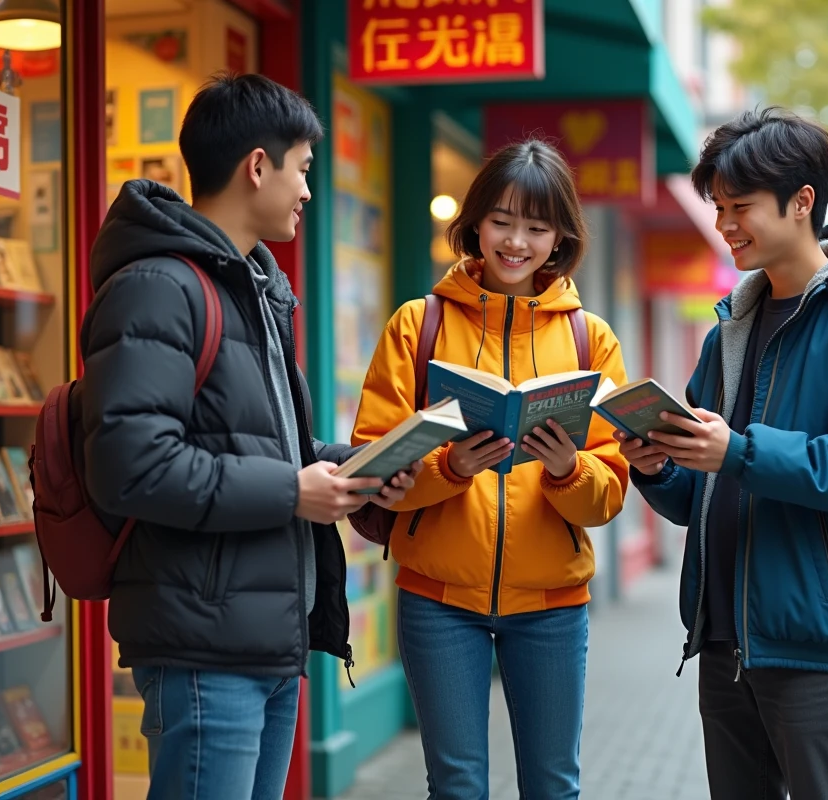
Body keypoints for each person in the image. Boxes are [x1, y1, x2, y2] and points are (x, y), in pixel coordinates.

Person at [80, 73, 419, 800]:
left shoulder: (257, 290)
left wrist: (366, 466)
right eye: (302, 169)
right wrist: (293, 492)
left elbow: (271, 454)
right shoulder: (157, 288)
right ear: (258, 166)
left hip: (264, 639)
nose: (307, 191)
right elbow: (131, 464)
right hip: (204, 648)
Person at [617, 107, 828, 800]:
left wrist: (738, 450)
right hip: (722, 636)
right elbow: (699, 494)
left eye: (740, 207)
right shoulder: (729, 330)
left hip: (814, 638)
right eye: (718, 207)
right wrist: (657, 466)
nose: (724, 224)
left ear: (802, 202)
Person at [351, 138, 630, 799]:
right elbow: (373, 469)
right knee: (456, 787)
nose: (516, 242)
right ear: (475, 222)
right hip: (438, 601)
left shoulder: (590, 339)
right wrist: (449, 466)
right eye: (502, 221)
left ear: (560, 237)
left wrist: (567, 470)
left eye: (537, 227)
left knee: (554, 787)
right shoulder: (416, 325)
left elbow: (608, 496)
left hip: (553, 607)